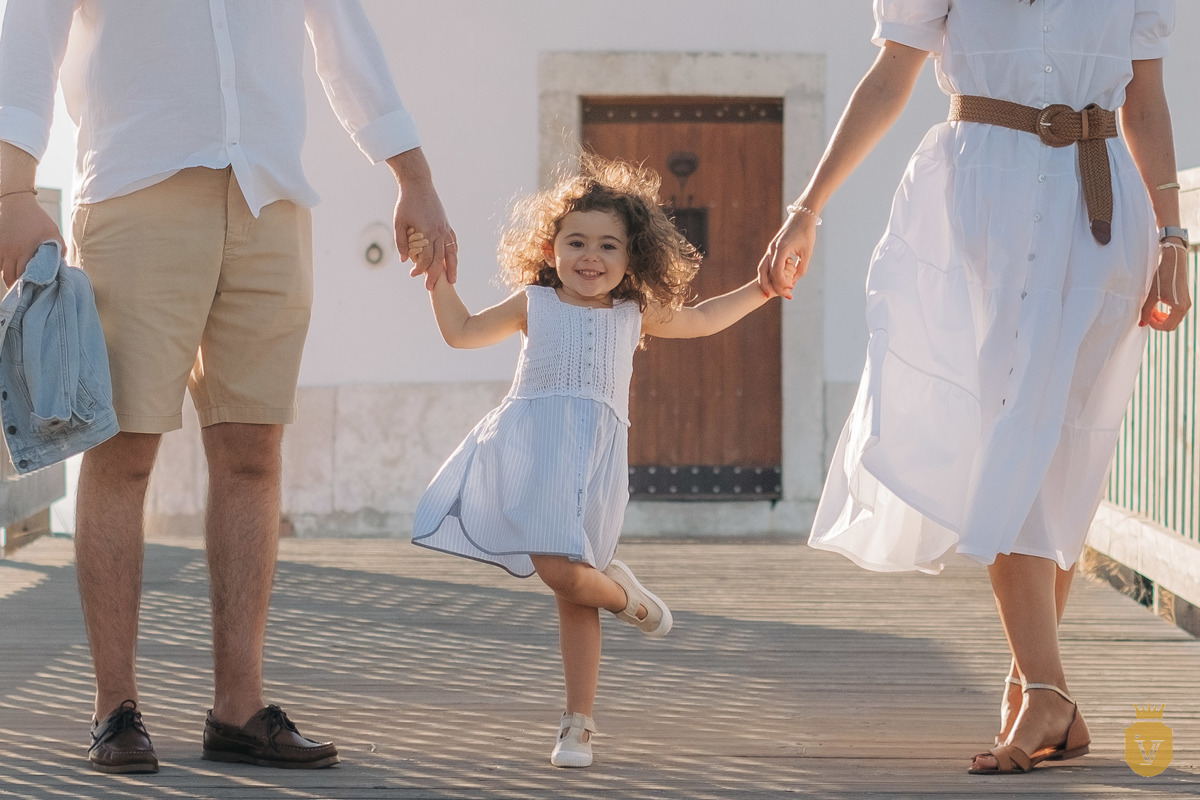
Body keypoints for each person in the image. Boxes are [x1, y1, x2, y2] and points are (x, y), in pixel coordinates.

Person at [0, 0, 455, 775]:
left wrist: (413, 175)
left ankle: (239, 708)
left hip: (272, 201)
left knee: (254, 450)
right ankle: (116, 710)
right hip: (139, 189)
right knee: (123, 451)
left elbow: (343, 33)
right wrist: (12, 191)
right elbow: (27, 26)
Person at [759, 0, 1185, 776]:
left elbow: (1145, 101)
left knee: (1057, 445)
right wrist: (806, 207)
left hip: (1099, 212)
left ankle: (1036, 688)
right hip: (984, 201)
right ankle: (1047, 691)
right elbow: (892, 77)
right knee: (1008, 432)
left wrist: (1173, 232)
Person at [410, 156, 788, 768]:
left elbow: (703, 319)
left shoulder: (632, 313)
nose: (591, 256)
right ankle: (625, 597)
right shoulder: (534, 303)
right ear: (551, 247)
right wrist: (437, 276)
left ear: (631, 257)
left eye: (608, 245)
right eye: (576, 241)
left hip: (593, 462)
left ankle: (577, 725)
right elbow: (460, 331)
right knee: (559, 572)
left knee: (570, 595)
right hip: (534, 453)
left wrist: (762, 289)